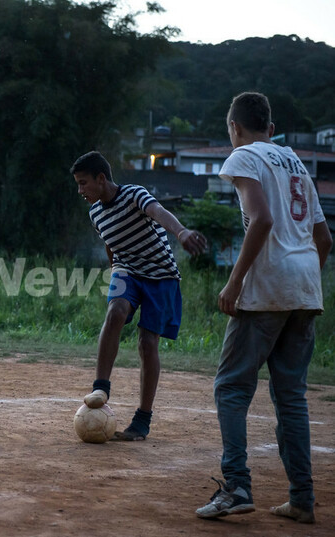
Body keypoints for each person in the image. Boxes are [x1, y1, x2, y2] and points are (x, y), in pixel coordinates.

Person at [196, 92, 331, 523]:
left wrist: (235, 282)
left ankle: (236, 487)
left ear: (234, 128)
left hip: (268, 289)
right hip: (306, 288)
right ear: (271, 129)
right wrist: (301, 280)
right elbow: (324, 239)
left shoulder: (244, 156)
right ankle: (302, 499)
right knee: (291, 397)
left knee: (231, 387)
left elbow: (263, 219)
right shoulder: (297, 164)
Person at [71, 151, 206, 441]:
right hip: (127, 270)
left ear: (101, 178)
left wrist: (181, 232)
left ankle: (142, 421)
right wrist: (114, 270)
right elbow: (110, 242)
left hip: (161, 274)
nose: (80, 190)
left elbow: (159, 212)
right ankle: (101, 387)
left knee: (147, 343)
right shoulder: (95, 213)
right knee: (115, 311)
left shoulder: (134, 194)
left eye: (83, 183)